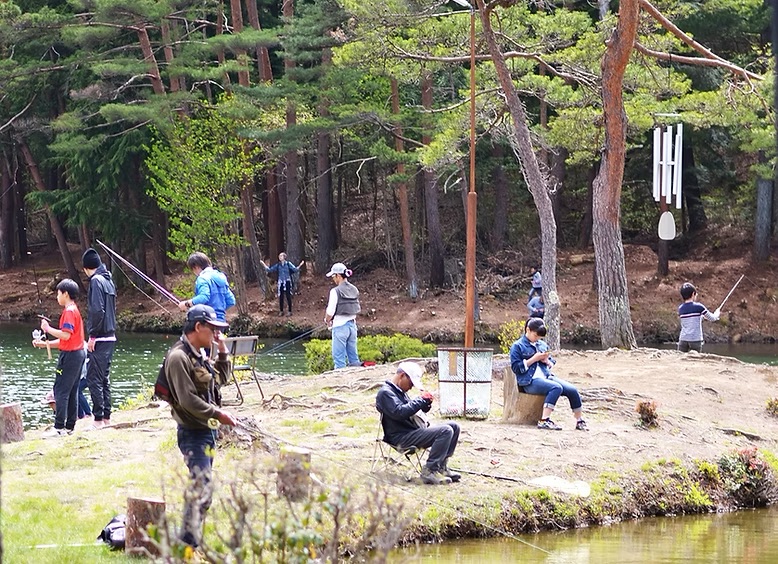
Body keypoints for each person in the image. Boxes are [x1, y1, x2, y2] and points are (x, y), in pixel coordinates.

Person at [163, 304, 237, 549]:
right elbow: (187, 400)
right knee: (201, 488)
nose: (216, 334)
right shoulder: (178, 357)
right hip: (193, 433)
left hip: (208, 431)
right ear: (198, 327)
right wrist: (219, 414)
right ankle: (187, 543)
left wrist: (223, 353)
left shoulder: (198, 354)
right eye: (213, 329)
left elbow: (220, 381)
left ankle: (190, 540)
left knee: (201, 488)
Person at [376, 362, 461, 485]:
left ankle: (442, 467)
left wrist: (424, 405)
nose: (411, 387)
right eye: (411, 383)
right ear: (402, 376)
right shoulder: (385, 393)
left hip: (412, 432)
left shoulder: (399, 391)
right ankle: (429, 471)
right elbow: (399, 412)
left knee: (454, 426)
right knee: (445, 431)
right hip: (401, 438)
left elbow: (409, 411)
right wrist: (420, 401)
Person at [509, 318, 588, 431]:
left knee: (572, 389)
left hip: (546, 376)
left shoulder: (542, 345)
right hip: (529, 381)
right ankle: (544, 420)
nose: (537, 339)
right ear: (528, 330)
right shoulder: (517, 346)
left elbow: (551, 362)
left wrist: (546, 361)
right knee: (556, 387)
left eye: (540, 337)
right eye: (536, 336)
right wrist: (533, 359)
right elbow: (516, 368)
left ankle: (579, 420)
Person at [32, 278, 87, 437]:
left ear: (66, 294)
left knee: (61, 391)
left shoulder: (69, 312)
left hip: (70, 357)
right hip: (78, 354)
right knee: (72, 391)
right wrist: (45, 344)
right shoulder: (74, 310)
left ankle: (59, 428)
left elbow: (65, 334)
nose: (57, 296)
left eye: (58, 293)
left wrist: (48, 328)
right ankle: (69, 426)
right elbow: (67, 340)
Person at [82, 248, 117, 429]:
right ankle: (106, 418)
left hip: (100, 337)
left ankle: (97, 420)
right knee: (103, 378)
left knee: (94, 378)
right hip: (110, 337)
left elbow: (97, 310)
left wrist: (92, 335)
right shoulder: (108, 281)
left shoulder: (96, 281)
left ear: (86, 268)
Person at [178, 252, 236, 322]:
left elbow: (204, 297)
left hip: (207, 322)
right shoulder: (220, 277)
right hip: (221, 322)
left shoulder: (202, 278)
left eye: (192, 269)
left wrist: (186, 304)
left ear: (196, 267)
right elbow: (231, 301)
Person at [324, 262, 361, 369]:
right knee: (354, 358)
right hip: (352, 327)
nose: (333, 279)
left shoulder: (335, 291)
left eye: (333, 276)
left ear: (339, 276)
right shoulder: (354, 289)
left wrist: (327, 320)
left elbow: (330, 311)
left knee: (339, 359)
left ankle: (339, 381)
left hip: (340, 327)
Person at [678, 282, 721, 353]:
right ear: (693, 294)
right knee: (695, 360)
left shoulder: (680, 308)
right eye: (695, 294)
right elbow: (712, 318)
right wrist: (717, 313)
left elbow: (690, 319)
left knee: (681, 360)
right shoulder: (699, 307)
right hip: (695, 340)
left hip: (683, 339)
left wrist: (702, 317)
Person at [259, 252, 304, 317]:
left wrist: (300, 265)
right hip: (281, 283)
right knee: (281, 297)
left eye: (281, 256)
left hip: (287, 282)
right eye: (279, 256)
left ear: (284, 257)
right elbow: (269, 270)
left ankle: (290, 311)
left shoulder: (288, 264)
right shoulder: (278, 265)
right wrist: (263, 264)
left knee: (288, 296)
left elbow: (295, 269)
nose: (279, 257)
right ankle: (281, 311)